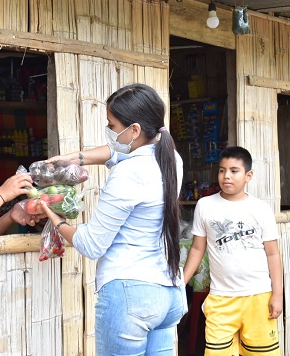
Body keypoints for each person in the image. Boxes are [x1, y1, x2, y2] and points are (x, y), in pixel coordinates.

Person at [40, 83, 186, 355]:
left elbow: (92, 245)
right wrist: (76, 158)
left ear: (134, 130)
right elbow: (117, 154)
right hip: (168, 293)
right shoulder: (171, 159)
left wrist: (53, 214)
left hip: (130, 294)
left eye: (112, 125)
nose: (109, 131)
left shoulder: (129, 173)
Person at [183, 146, 283, 356]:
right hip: (221, 299)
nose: (226, 176)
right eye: (221, 170)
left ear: (248, 176)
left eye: (234, 170)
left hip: (258, 297)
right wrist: (181, 282)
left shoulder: (261, 209)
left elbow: (273, 254)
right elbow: (197, 248)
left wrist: (278, 294)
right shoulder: (205, 205)